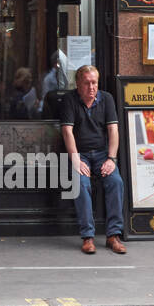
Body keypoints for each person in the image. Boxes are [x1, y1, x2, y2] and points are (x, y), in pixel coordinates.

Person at [60, 65, 126, 255]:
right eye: (87, 83)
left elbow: (113, 130)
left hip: (102, 154)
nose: (91, 87)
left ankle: (113, 235)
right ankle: (88, 237)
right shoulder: (69, 100)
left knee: (115, 182)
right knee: (81, 184)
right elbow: (67, 131)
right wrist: (75, 160)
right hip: (80, 154)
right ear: (78, 84)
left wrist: (111, 159)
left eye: (94, 82)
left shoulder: (106, 99)